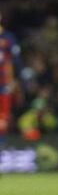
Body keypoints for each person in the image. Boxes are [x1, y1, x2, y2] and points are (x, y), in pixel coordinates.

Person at [0, 10, 22, 158]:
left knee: (2, 120)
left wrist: (15, 81)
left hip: (3, 85)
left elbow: (14, 62)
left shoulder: (8, 38)